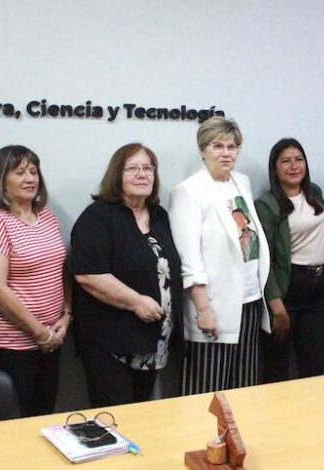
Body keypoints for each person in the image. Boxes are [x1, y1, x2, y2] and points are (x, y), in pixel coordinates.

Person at [71, 143, 183, 407]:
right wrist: (136, 302)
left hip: (152, 343)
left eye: (148, 168)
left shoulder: (159, 216)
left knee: (141, 418)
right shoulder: (97, 217)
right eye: (132, 168)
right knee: (115, 420)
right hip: (110, 346)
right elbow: (89, 275)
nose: (142, 174)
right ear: (116, 175)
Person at [169, 117, 271, 395]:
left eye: (232, 146)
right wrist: (204, 310)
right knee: (207, 391)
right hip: (213, 307)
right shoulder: (188, 191)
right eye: (217, 146)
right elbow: (189, 260)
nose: (226, 153)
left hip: (249, 301)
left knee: (245, 388)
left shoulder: (242, 182)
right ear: (202, 150)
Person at [0, 145, 70, 417]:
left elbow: (60, 270)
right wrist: (41, 334)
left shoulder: (47, 217)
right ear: (1, 179)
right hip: (12, 346)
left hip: (52, 340)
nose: (30, 179)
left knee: (42, 417)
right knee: (14, 424)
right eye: (20, 172)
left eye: (33, 171)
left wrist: (67, 315)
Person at [255, 138, 324, 382]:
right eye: (286, 161)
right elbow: (264, 259)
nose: (294, 166)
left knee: (314, 366)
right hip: (287, 289)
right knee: (278, 369)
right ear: (274, 168)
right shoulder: (267, 205)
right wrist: (276, 306)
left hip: (318, 290)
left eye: (299, 159)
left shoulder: (315, 193)